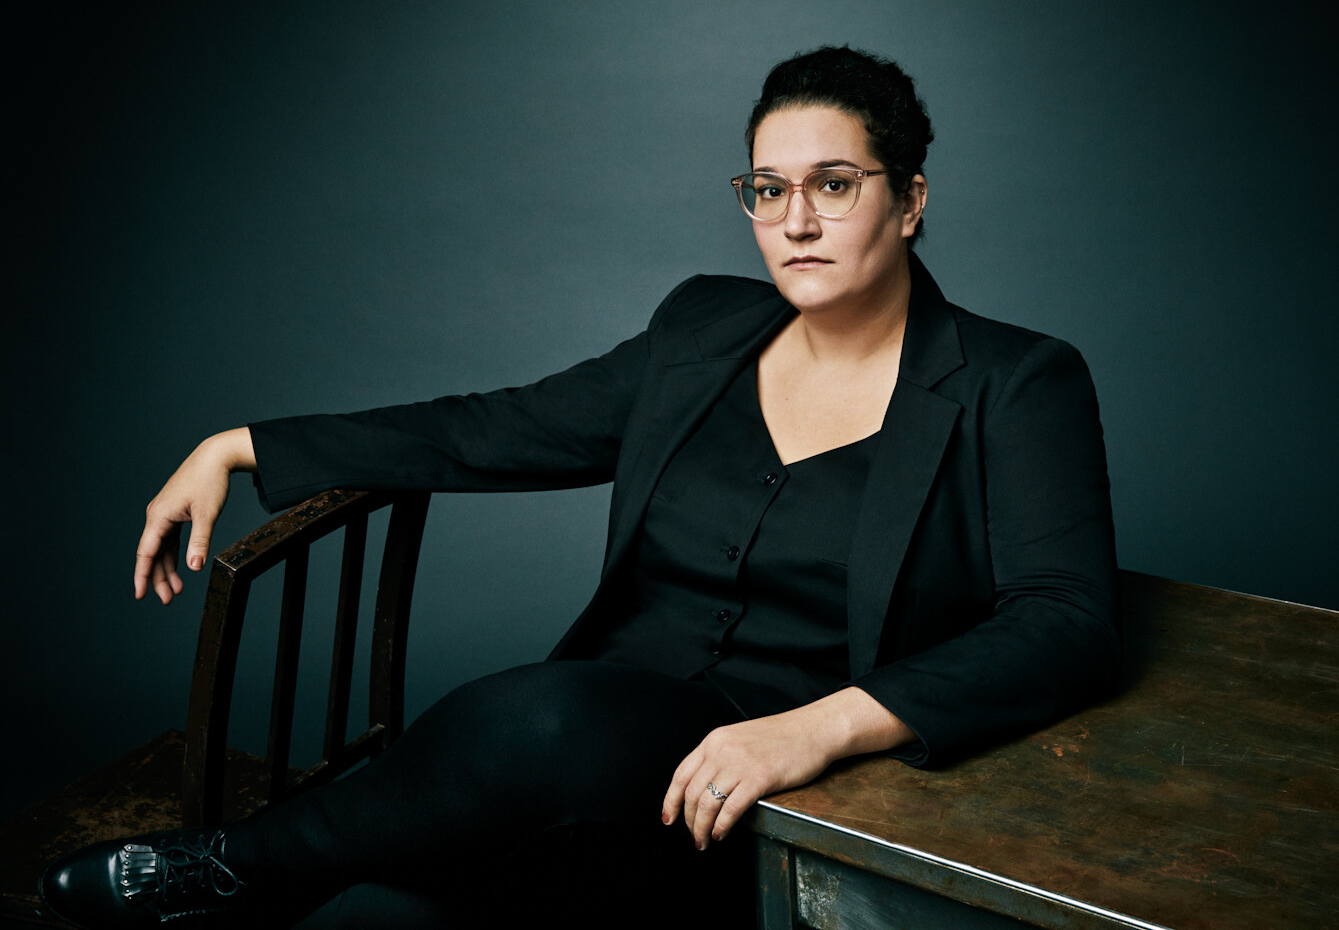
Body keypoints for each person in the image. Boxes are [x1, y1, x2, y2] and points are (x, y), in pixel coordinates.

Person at [41, 45, 1120, 928]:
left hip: (766, 782)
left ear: (911, 198)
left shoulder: (1015, 383)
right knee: (384, 908)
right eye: (768, 189)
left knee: (535, 725)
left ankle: (225, 867)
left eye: (835, 185)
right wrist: (246, 445)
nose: (796, 222)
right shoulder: (700, 330)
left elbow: (1065, 620)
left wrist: (817, 729)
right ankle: (264, 884)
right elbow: (496, 429)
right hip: (571, 760)